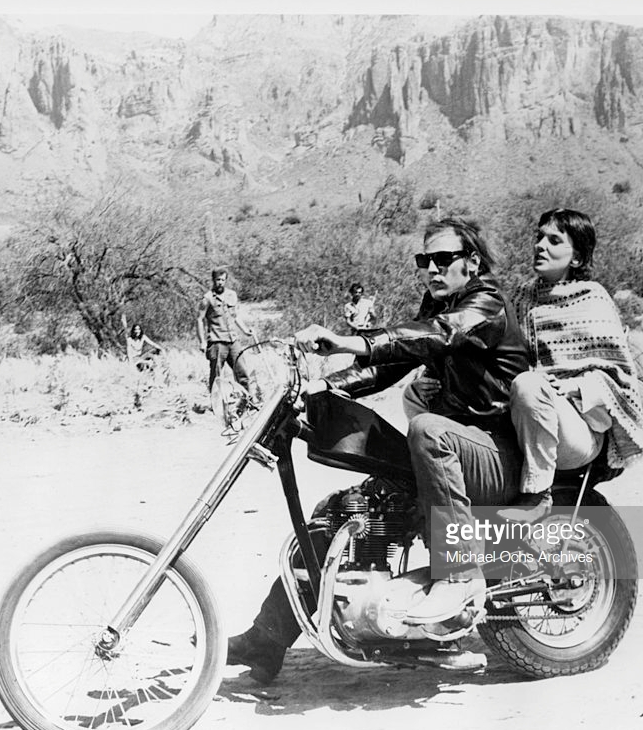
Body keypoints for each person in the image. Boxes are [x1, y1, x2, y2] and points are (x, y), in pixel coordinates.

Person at [227, 217, 531, 683]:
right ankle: (267, 640)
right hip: (453, 454)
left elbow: (433, 336)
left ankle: (461, 571)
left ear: (472, 262)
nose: (432, 268)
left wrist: (349, 341)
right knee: (345, 511)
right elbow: (395, 361)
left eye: (443, 259)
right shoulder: (442, 304)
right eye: (424, 260)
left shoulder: (485, 306)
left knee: (426, 428)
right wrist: (322, 388)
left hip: (495, 453)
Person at [505, 208, 643, 523]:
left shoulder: (593, 300)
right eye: (539, 237)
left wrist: (574, 386)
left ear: (577, 258)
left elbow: (619, 377)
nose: (541, 245)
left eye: (554, 240)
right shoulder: (520, 299)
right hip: (530, 419)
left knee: (529, 386)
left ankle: (538, 496)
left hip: (580, 430)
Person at [196, 267, 261, 407]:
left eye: (223, 280)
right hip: (217, 341)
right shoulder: (207, 299)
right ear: (213, 280)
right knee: (217, 376)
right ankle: (217, 405)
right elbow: (200, 320)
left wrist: (245, 330)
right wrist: (202, 341)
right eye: (218, 280)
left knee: (242, 371)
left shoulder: (232, 295)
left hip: (233, 340)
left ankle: (247, 402)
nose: (220, 282)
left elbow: (235, 316)